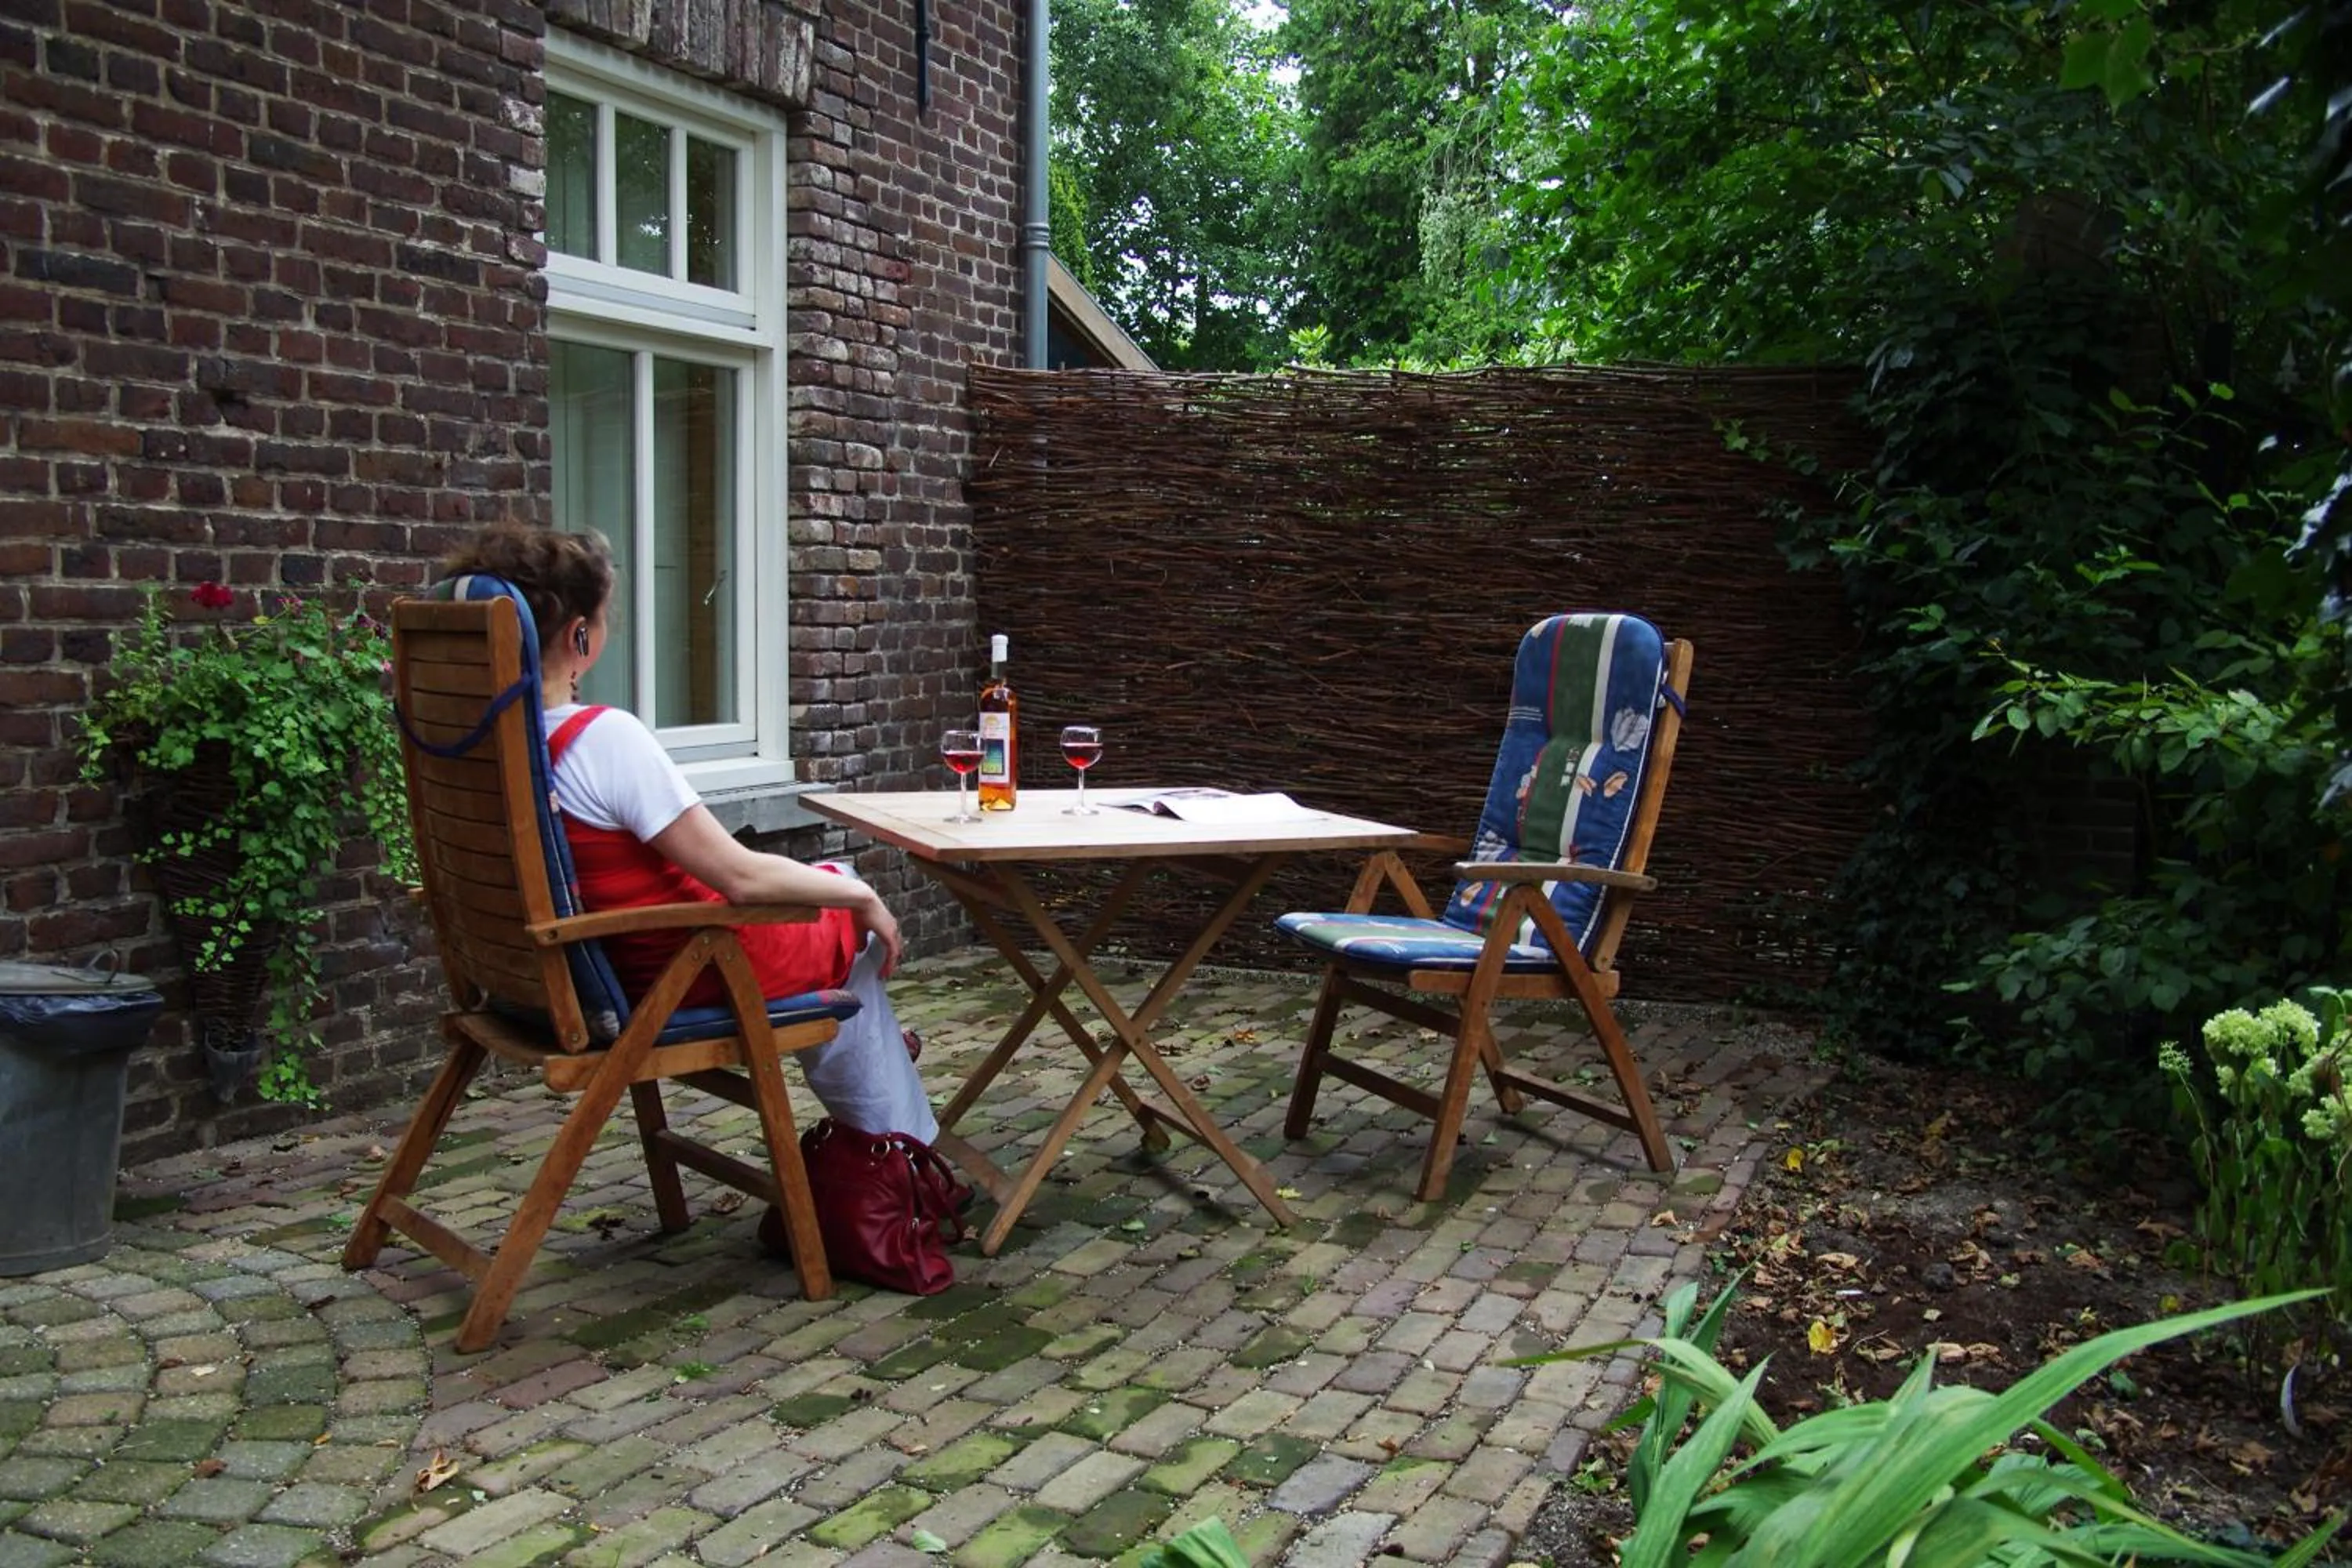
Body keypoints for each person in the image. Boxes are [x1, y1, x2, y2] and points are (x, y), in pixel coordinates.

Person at [438, 523, 939, 1148]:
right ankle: (900, 1153)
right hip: (683, 972)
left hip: (557, 980)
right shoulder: (602, 739)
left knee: (834, 899)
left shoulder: (481, 748)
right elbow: (741, 876)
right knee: (847, 908)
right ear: (580, 637)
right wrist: (864, 901)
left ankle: (887, 1108)